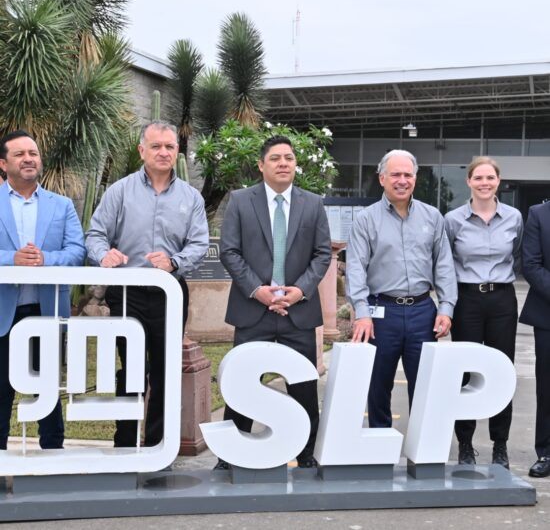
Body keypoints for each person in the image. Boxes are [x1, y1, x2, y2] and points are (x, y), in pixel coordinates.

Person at [86, 121, 208, 448]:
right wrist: (104, 255)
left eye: (169, 146)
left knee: (166, 369)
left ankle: (157, 445)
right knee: (131, 369)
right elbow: (95, 235)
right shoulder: (120, 191)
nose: (163, 152)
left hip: (170, 293)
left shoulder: (191, 197)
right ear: (142, 151)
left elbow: (199, 243)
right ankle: (125, 443)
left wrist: (174, 262)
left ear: (177, 151)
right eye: (156, 146)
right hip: (127, 293)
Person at [214, 135, 331, 469]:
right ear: (261, 165)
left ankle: (306, 455)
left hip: (299, 311)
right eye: (276, 158)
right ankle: (230, 457)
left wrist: (300, 290)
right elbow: (229, 251)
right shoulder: (240, 201)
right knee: (242, 385)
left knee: (304, 387)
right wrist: (258, 290)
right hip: (253, 310)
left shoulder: (313, 204)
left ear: (296, 165)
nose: (283, 163)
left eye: (289, 158)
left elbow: (322, 253)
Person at [346, 149, 457, 429]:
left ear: (415, 179)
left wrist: (446, 307)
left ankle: (422, 444)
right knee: (378, 384)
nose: (402, 180)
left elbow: (444, 264)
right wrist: (362, 312)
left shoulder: (432, 217)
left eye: (408, 174)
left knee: (424, 385)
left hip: (422, 312)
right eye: (395, 174)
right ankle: (379, 441)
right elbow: (356, 268)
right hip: (381, 312)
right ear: (382, 178)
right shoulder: (366, 219)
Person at [0, 130, 86, 449]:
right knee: (1, 389)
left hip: (47, 311)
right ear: (3, 163)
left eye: (33, 153)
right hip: (3, 313)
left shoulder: (61, 205)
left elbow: (77, 251)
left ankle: (53, 452)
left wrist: (45, 259)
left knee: (47, 387)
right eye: (20, 154)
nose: (28, 159)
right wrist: (12, 259)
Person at [445, 156, 522, 469]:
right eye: (478, 178)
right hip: (467, 300)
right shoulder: (453, 220)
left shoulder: (514, 217)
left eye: (490, 178)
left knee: (502, 371)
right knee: (466, 373)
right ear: (469, 181)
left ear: (498, 181)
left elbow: (518, 255)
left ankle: (500, 445)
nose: (484, 183)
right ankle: (465, 444)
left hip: (502, 300)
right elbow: (445, 263)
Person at [519, 201, 550, 477]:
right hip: (548, 317)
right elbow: (530, 265)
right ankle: (547, 452)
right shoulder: (539, 214)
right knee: (547, 387)